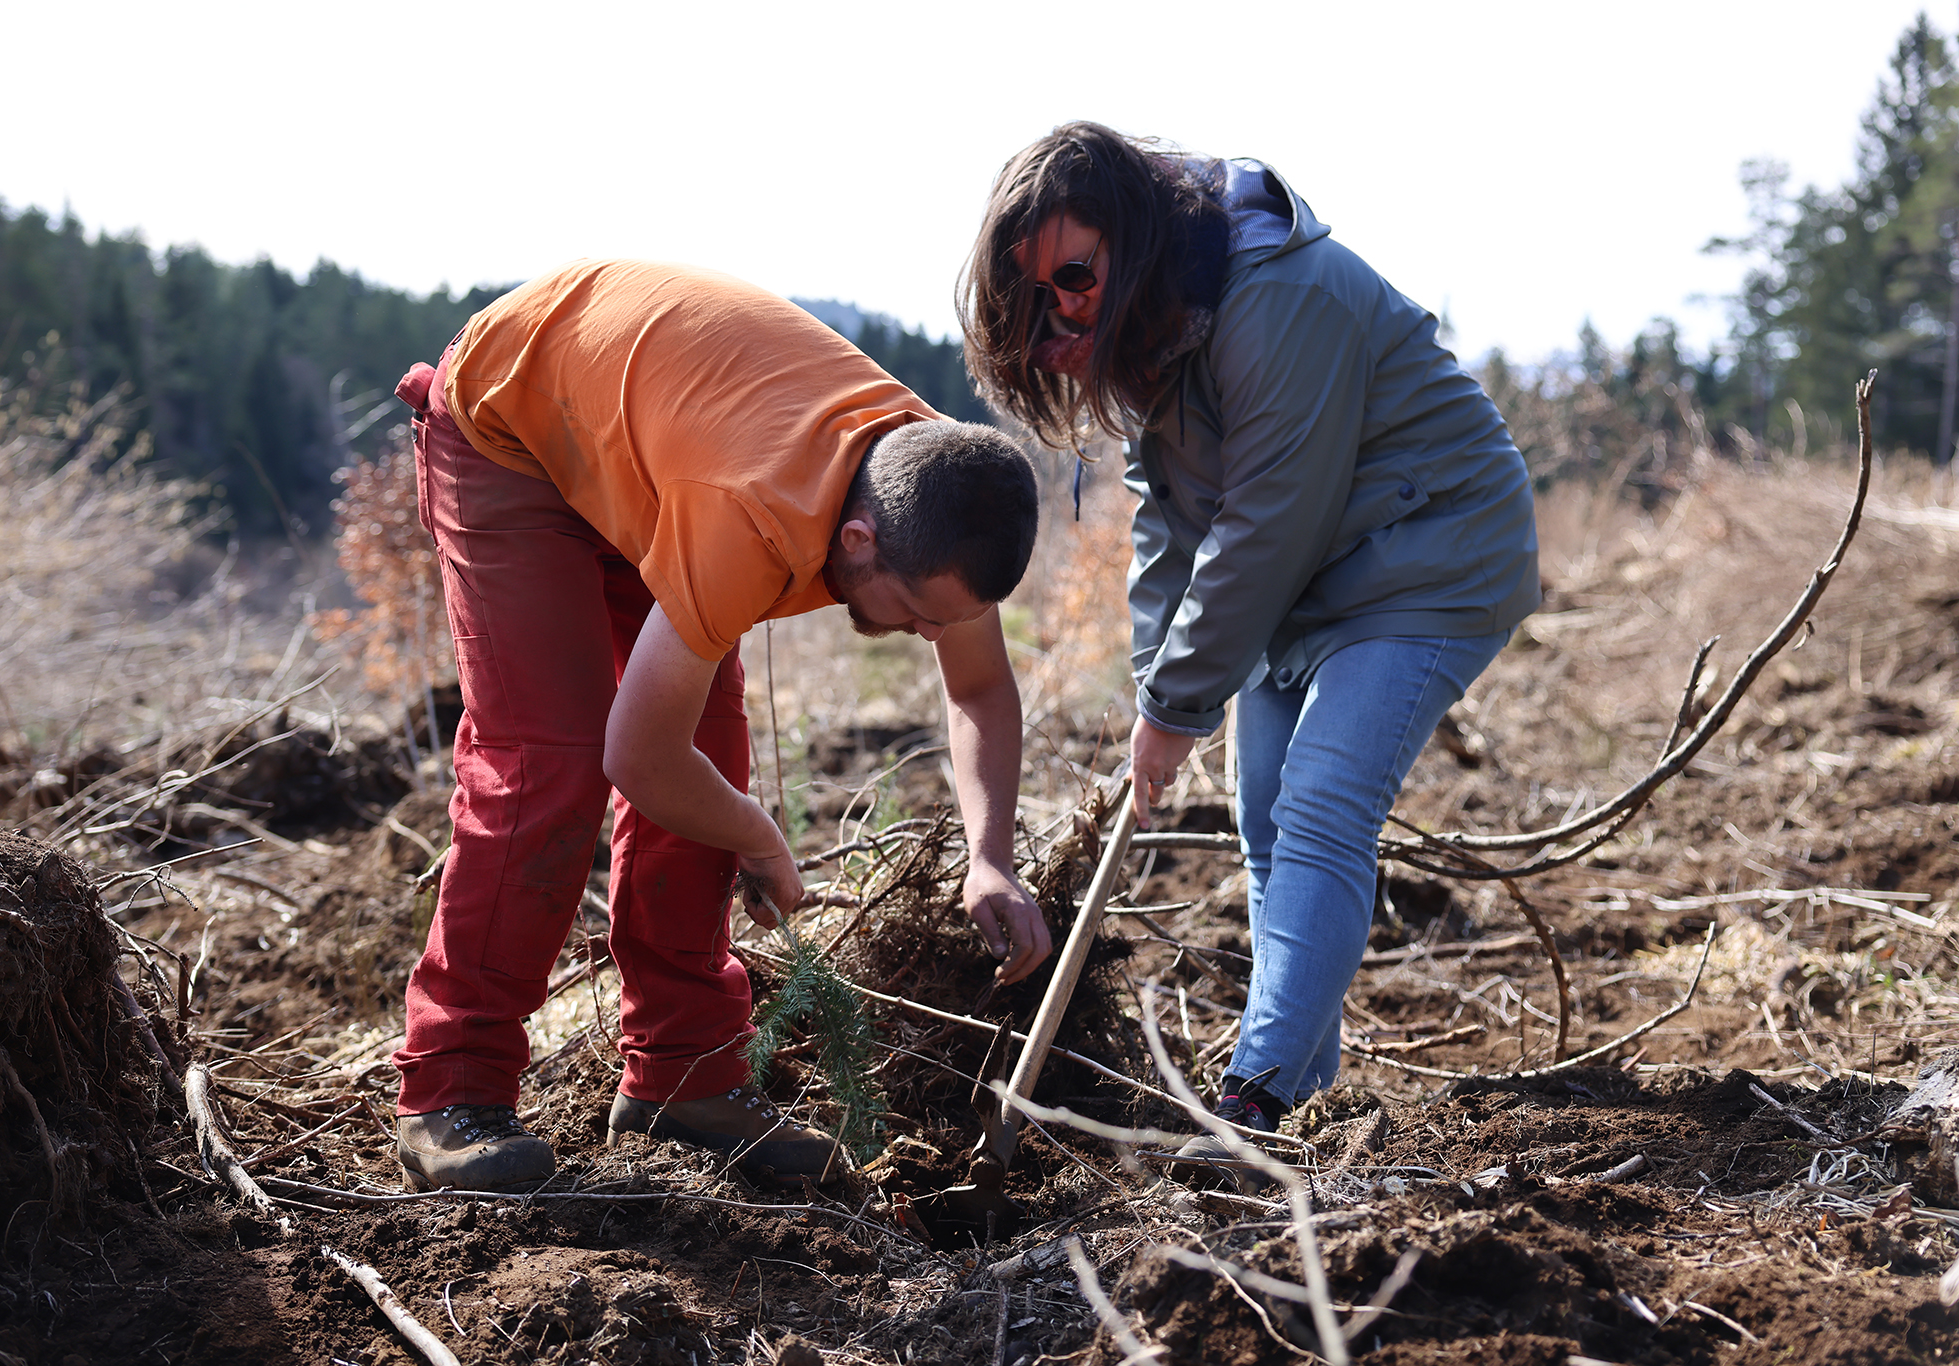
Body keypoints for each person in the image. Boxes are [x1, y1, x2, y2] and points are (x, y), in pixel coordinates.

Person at [389, 259, 1051, 1194]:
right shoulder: (752, 518)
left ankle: (684, 1076)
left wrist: (992, 857)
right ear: (857, 541)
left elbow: (980, 691)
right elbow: (638, 755)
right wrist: (759, 836)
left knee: (713, 753)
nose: (932, 637)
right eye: (917, 614)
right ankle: (451, 1087)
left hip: (653, 446)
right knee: (552, 760)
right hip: (514, 424)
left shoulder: (939, 501)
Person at [959, 123, 1540, 1171]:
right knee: (1264, 816)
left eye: (1076, 274)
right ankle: (1301, 1095)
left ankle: (1254, 1099)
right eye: (1039, 297)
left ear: (1130, 238)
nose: (1065, 309)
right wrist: (1155, 694)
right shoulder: (1154, 329)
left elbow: (1267, 518)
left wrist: (1177, 707)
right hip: (1313, 583)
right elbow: (1167, 521)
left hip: (1427, 551)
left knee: (1321, 800)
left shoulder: (1278, 299)